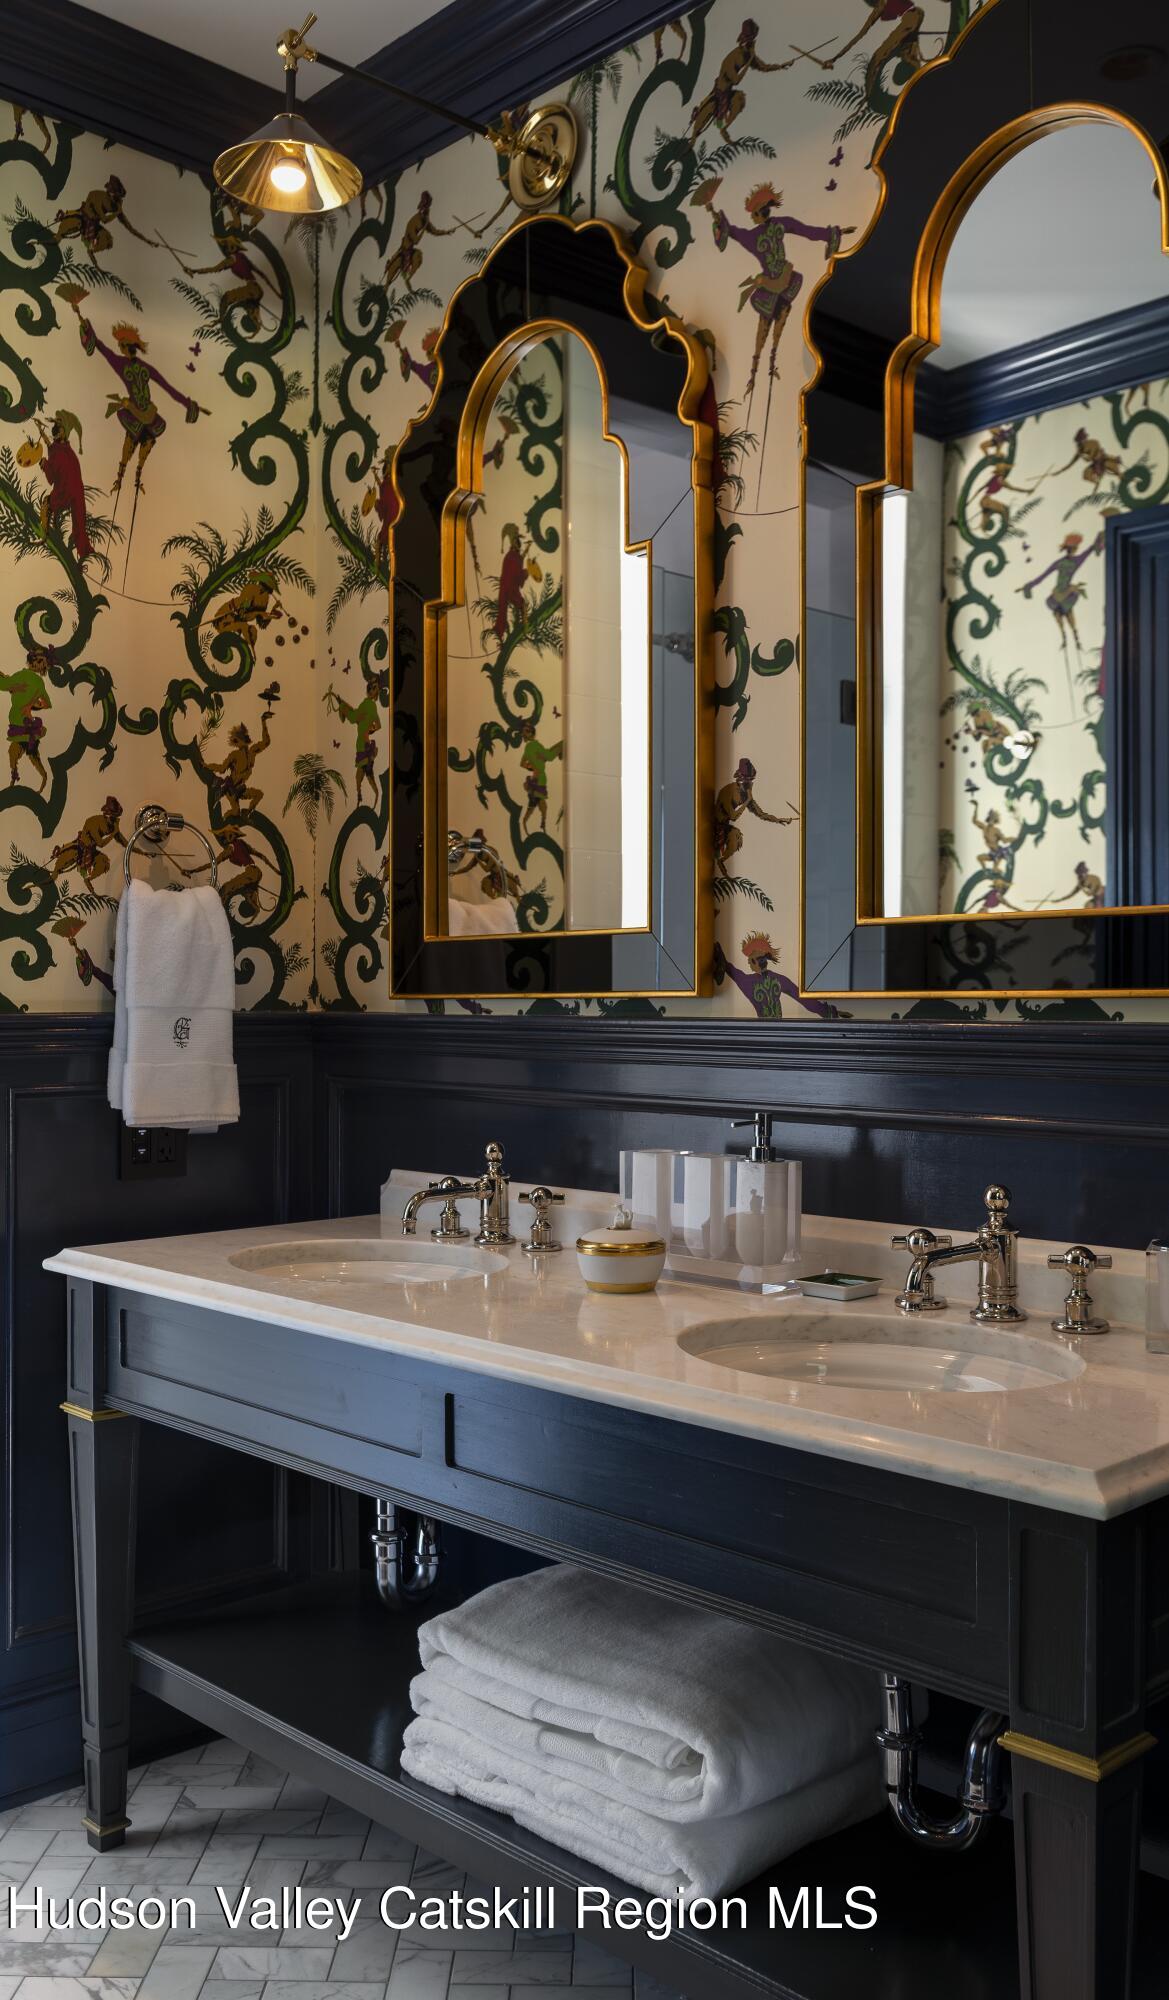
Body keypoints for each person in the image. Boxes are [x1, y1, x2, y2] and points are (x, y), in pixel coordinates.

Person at [705, 180, 847, 396]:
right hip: (786, 281)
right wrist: (830, 234)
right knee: (774, 324)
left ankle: (760, 370)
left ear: (759, 213)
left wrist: (719, 222)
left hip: (773, 285)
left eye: (753, 214)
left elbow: (732, 232)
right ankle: (764, 368)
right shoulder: (780, 224)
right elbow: (806, 231)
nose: (752, 217)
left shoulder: (753, 237)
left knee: (765, 328)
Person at [68, 295, 201, 497]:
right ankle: (126, 478)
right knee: (136, 441)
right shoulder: (138, 366)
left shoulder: (123, 364)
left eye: (121, 345)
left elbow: (101, 347)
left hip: (144, 414)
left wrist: (85, 325)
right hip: (141, 412)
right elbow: (170, 390)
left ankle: (131, 478)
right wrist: (83, 321)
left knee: (137, 441)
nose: (119, 348)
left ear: (125, 347)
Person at [714, 757, 790, 875]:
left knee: (736, 837)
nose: (750, 784)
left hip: (725, 827)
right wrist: (747, 801)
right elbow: (733, 817)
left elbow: (760, 814)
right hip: (715, 826)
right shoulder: (728, 791)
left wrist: (779, 820)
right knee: (735, 834)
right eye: (748, 781)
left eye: (751, 780)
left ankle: (721, 862)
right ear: (740, 779)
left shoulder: (745, 794)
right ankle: (720, 864)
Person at [0, 643, 53, 791]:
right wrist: (32, 704)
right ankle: (42, 777)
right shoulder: (39, 682)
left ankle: (15, 778)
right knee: (31, 757)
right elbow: (47, 704)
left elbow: (2, 684)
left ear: (29, 661)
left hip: (19, 728)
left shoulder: (20, 676)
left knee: (14, 756)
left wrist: (12, 687)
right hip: (27, 728)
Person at [50, 796, 126, 883]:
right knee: (63, 862)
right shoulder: (93, 822)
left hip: (91, 850)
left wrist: (136, 849)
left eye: (115, 817)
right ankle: (54, 875)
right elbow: (101, 844)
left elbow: (122, 839)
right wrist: (113, 833)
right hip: (80, 847)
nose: (114, 820)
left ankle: (88, 879)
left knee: (103, 862)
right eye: (113, 817)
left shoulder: (112, 825)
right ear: (107, 815)